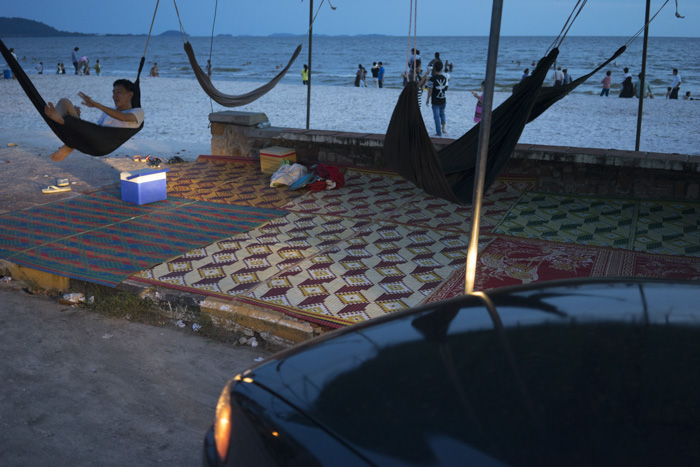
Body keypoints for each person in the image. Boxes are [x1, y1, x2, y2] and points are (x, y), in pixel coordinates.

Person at [43, 79, 145, 162]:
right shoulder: (108, 111)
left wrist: (96, 105)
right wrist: (78, 117)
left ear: (130, 95)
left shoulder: (138, 112)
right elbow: (94, 131)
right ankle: (64, 128)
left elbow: (124, 117)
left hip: (103, 145)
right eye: (113, 93)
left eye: (119, 92)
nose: (114, 96)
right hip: (94, 139)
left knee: (70, 120)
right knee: (65, 102)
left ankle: (62, 123)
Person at [425, 61, 448, 137]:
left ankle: (438, 132)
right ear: (442, 68)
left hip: (435, 100)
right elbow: (446, 88)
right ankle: (443, 128)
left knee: (436, 117)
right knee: (442, 113)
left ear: (434, 68)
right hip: (443, 99)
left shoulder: (432, 79)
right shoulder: (445, 78)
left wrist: (428, 99)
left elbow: (430, 90)